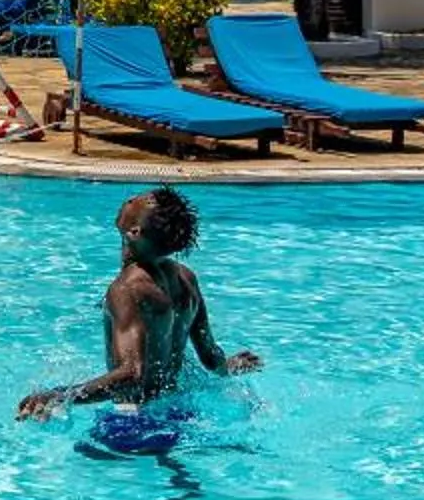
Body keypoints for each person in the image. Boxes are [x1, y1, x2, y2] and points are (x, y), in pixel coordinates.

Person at [17, 188, 259, 439]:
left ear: (134, 232)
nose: (130, 199)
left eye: (136, 202)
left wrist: (61, 395)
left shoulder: (127, 290)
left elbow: (132, 374)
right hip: (180, 409)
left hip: (133, 419)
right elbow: (210, 356)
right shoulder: (186, 278)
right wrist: (228, 365)